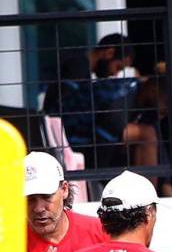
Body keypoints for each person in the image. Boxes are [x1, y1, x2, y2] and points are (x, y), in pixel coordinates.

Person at [42, 34, 160, 171]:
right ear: (109, 53)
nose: (115, 75)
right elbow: (62, 109)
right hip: (64, 140)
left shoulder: (80, 68)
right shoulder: (78, 68)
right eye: (118, 67)